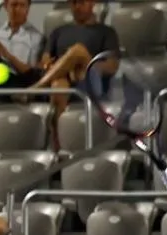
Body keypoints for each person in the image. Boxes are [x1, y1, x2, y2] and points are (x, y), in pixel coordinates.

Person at [29, 0, 119, 148]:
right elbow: (45, 61)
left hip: (90, 81)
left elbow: (112, 66)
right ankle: (60, 145)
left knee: (78, 50)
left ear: (92, 3)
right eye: (74, 3)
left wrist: (84, 64)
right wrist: (61, 66)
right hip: (64, 81)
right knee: (58, 85)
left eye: (81, 2)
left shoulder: (106, 32)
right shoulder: (58, 32)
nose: (77, 6)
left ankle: (36, 88)